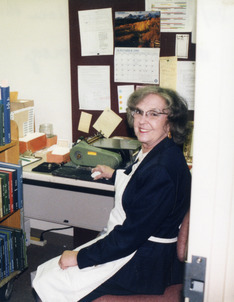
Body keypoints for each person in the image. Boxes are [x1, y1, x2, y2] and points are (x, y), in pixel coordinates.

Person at [32, 86, 191, 302]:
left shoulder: (161, 169)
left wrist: (80, 257)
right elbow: (139, 180)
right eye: (138, 112)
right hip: (139, 245)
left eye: (154, 114)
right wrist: (114, 174)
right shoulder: (158, 149)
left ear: (170, 121)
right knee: (50, 272)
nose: (143, 120)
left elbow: (130, 237)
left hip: (143, 261)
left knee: (52, 281)